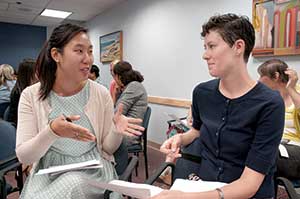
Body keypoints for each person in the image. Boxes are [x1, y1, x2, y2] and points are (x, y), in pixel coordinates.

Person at [153, 13, 285, 199]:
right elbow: (197, 131)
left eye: (212, 46)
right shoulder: (202, 93)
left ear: (238, 47)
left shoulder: (269, 104)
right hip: (205, 185)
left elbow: (249, 185)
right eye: (205, 47)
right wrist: (180, 139)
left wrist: (184, 196)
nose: (205, 55)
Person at [15, 23, 144, 199]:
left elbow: (107, 147)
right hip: (48, 171)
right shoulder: (30, 95)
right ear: (56, 55)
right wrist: (52, 131)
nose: (88, 59)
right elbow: (25, 156)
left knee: (73, 183)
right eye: (79, 51)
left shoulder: (100, 93)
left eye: (90, 51)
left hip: (93, 168)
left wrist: (116, 131)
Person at [258, 59, 300, 180]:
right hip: (275, 145)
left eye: (262, 75)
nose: (259, 80)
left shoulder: (297, 92)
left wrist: (291, 89)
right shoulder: (268, 97)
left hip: (296, 148)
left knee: (266, 154)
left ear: (276, 76)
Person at [112, 61, 148, 146]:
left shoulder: (134, 86)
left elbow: (117, 113)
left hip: (128, 133)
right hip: (125, 129)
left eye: (114, 76)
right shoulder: (133, 86)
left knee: (97, 137)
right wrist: (117, 94)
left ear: (118, 76)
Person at [8, 59, 37, 126]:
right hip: (21, 125)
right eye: (36, 72)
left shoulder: (33, 88)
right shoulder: (18, 93)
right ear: (28, 74)